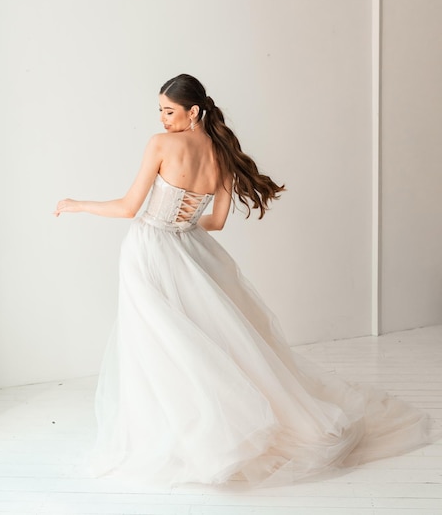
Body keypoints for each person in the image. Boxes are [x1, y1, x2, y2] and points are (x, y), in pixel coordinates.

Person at [55, 73, 433, 487]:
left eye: (169, 111)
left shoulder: (161, 145)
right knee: (198, 340)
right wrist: (184, 222)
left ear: (193, 111)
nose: (162, 119)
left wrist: (79, 204)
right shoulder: (222, 155)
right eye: (160, 112)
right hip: (189, 251)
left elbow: (130, 208)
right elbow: (215, 221)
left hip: (149, 250)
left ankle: (179, 436)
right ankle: (208, 432)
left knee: (159, 343)